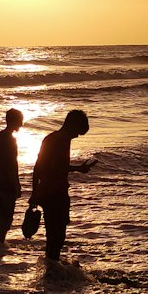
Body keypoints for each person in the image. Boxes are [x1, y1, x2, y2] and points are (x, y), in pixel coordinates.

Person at [28, 109, 95, 268]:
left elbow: (38, 167)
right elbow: (57, 166)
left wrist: (34, 192)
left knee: (52, 234)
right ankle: (52, 271)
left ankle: (51, 268)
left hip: (44, 192)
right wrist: (78, 169)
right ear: (72, 125)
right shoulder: (63, 140)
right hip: (56, 193)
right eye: (78, 131)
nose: (77, 136)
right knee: (57, 235)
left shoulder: (49, 138)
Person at [0, 108, 24, 243]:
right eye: (20, 121)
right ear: (15, 121)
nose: (22, 124)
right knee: (6, 218)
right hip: (7, 184)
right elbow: (11, 165)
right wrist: (16, 185)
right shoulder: (10, 139)